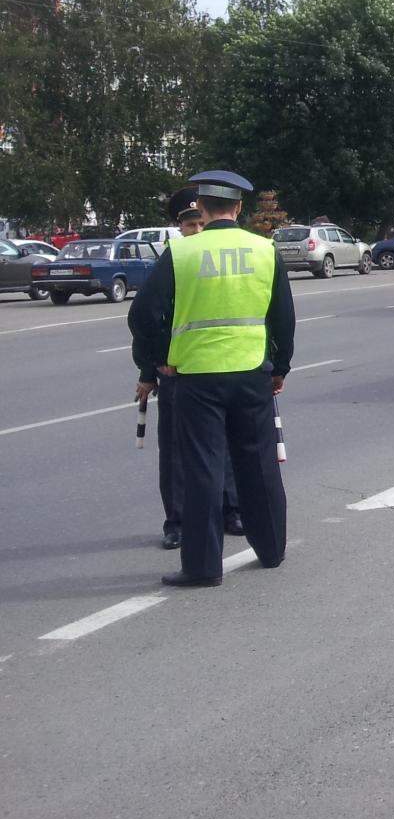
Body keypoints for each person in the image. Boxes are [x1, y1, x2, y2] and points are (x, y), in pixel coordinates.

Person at [128, 170, 295, 587]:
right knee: (259, 464)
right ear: (239, 208)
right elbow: (284, 318)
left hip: (196, 378)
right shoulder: (264, 249)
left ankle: (202, 567)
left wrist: (157, 360)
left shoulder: (181, 253)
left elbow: (143, 316)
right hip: (251, 372)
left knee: (202, 468)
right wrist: (280, 367)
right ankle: (271, 550)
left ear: (201, 208)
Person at [154, 187, 244, 550]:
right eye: (189, 225)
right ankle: (176, 521)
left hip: (220, 366)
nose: (196, 231)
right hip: (178, 369)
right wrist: (151, 369)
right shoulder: (174, 259)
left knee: (225, 443)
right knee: (176, 449)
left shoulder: (220, 259)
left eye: (200, 223)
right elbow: (151, 319)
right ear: (179, 227)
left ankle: (230, 510)